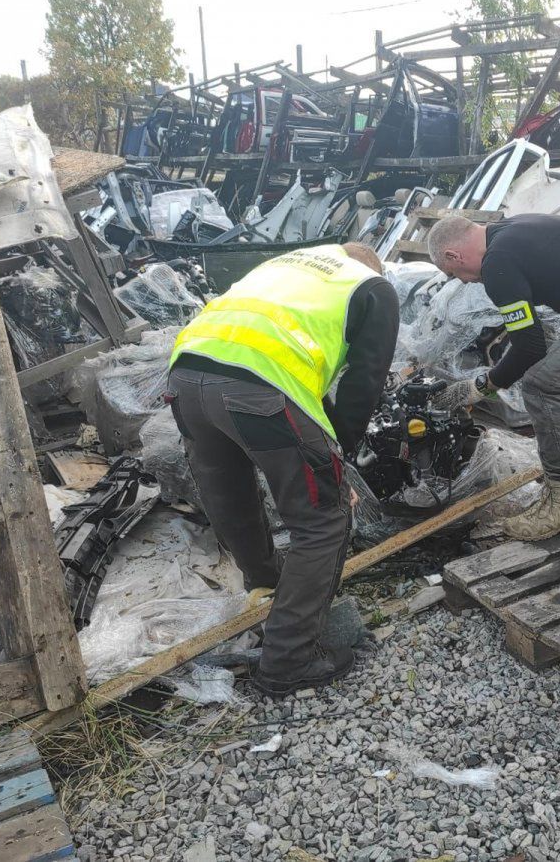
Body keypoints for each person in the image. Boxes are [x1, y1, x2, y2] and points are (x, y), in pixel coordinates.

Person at [166, 242, 398, 696]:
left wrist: (324, 450)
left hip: (186, 378)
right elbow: (363, 381)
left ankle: (267, 587)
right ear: (371, 266)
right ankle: (287, 662)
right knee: (323, 521)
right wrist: (339, 467)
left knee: (229, 495)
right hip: (259, 391)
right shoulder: (372, 287)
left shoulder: (285, 267)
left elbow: (303, 380)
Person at [427, 214, 560, 541]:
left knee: (540, 384)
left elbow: (529, 347)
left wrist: (483, 386)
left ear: (452, 256)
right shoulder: (513, 230)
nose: (462, 281)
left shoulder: (497, 263)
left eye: (453, 273)